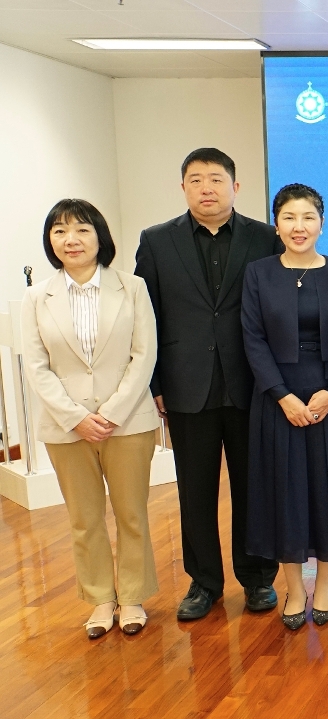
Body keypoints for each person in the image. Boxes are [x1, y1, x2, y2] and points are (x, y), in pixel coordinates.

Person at [134, 148, 283, 620]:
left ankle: (258, 579)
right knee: (194, 490)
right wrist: (155, 381)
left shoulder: (265, 238)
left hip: (251, 384)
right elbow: (145, 318)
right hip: (186, 385)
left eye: (216, 179)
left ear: (235, 187)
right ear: (183, 187)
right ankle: (203, 583)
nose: (206, 188)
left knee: (253, 487)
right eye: (195, 180)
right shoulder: (156, 241)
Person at [22, 199, 160, 639]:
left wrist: (112, 413)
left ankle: (132, 596)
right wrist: (75, 417)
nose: (71, 240)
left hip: (128, 422)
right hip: (66, 428)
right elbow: (36, 366)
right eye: (60, 231)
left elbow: (144, 355)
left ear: (100, 237)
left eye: (82, 230)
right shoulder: (36, 297)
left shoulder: (132, 287)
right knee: (84, 519)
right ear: (50, 241)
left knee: (131, 514)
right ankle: (101, 598)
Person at [242, 184, 328, 629]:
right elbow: (253, 339)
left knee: (326, 490)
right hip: (277, 399)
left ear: (322, 223)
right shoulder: (258, 274)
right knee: (285, 492)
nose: (299, 227)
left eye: (308, 217)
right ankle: (294, 588)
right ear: (276, 225)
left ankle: (325, 586)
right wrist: (282, 395)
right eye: (289, 217)